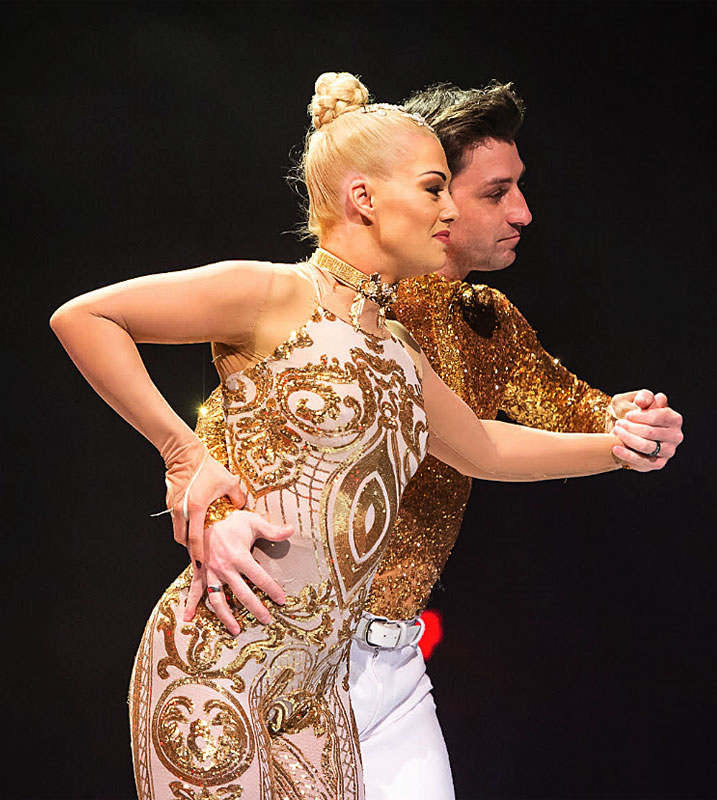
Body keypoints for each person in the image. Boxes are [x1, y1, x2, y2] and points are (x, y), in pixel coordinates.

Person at [50, 72, 658, 800]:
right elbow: (84, 318)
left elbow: (484, 449)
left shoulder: (399, 349)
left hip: (319, 691)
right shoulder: (275, 294)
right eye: (434, 189)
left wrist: (621, 448)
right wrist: (184, 454)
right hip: (220, 662)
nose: (446, 210)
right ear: (363, 199)